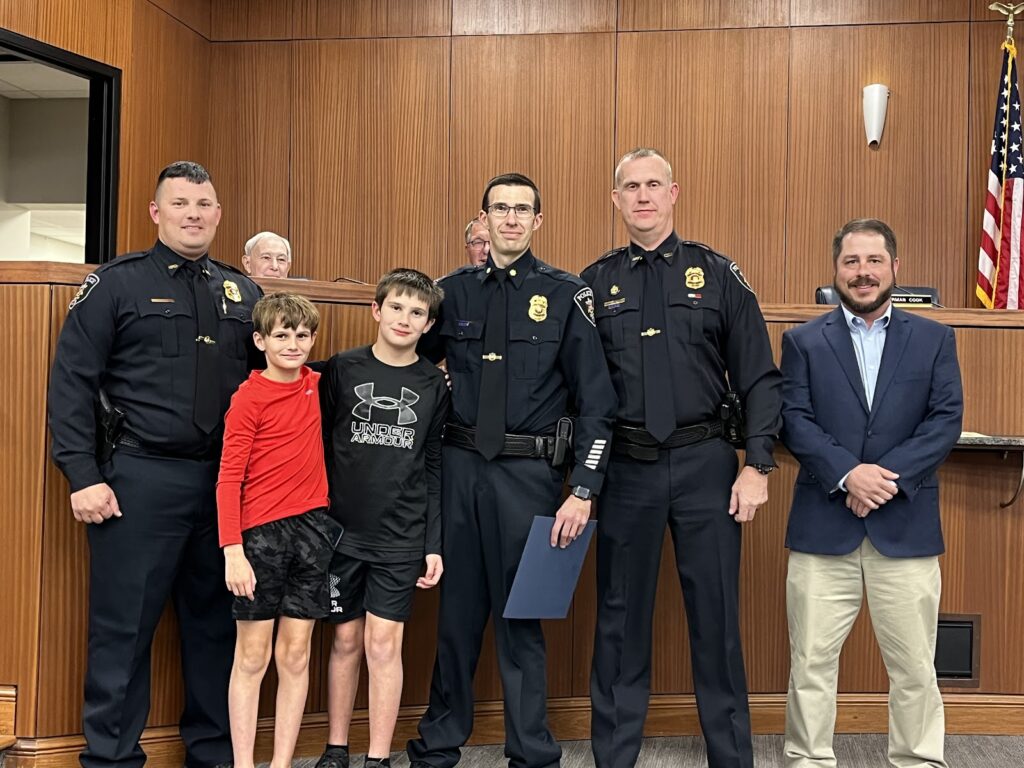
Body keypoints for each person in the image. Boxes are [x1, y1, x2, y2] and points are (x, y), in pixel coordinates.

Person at [47, 161, 262, 768]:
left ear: (218, 214)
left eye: (204, 204)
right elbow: (71, 383)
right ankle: (111, 759)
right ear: (156, 212)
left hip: (223, 484)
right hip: (139, 480)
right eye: (180, 203)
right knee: (124, 628)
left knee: (218, 627)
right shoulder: (116, 284)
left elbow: (268, 387)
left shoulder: (243, 293)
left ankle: (213, 754)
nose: (193, 214)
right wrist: (82, 474)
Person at [407, 173, 617, 768]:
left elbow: (597, 403)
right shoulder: (450, 293)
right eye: (500, 208)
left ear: (538, 221)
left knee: (522, 617)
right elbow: (409, 363)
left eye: (523, 209)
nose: (511, 218)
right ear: (483, 219)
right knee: (456, 616)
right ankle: (438, 745)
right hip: (460, 469)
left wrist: (584, 488)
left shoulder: (567, 294)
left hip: (530, 476)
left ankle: (532, 752)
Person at [581, 147, 782, 768]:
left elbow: (760, 377)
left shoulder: (717, 274)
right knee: (619, 618)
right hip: (627, 467)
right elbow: (578, 388)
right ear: (615, 200)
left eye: (654, 185)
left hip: (706, 465)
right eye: (630, 186)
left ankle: (731, 757)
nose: (643, 196)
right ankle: (614, 756)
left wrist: (757, 465)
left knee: (716, 617)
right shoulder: (593, 284)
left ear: (674, 193)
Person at [779, 219, 963, 768]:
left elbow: (944, 420)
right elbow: (794, 419)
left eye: (874, 260)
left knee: (915, 668)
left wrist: (881, 479)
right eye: (852, 261)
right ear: (836, 270)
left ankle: (918, 760)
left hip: (904, 526)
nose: (863, 272)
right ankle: (808, 760)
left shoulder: (933, 338)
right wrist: (847, 474)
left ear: (895, 267)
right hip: (823, 527)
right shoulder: (802, 341)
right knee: (811, 663)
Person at [314, 269, 449, 768]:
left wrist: (432, 542)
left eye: (417, 312)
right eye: (396, 307)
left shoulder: (433, 384)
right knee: (346, 639)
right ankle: (336, 748)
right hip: (340, 533)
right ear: (376, 310)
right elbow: (318, 445)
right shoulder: (343, 369)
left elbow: (433, 465)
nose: (404, 319)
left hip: (401, 535)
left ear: (428, 324)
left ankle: (378, 758)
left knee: (384, 644)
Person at [217, 292, 336, 768]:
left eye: (302, 335)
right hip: (259, 538)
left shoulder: (318, 386)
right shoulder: (248, 398)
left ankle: (282, 763)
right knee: (252, 657)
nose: (293, 344)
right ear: (260, 340)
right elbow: (228, 478)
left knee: (296, 655)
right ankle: (244, 763)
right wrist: (233, 550)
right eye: (282, 335)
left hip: (314, 532)